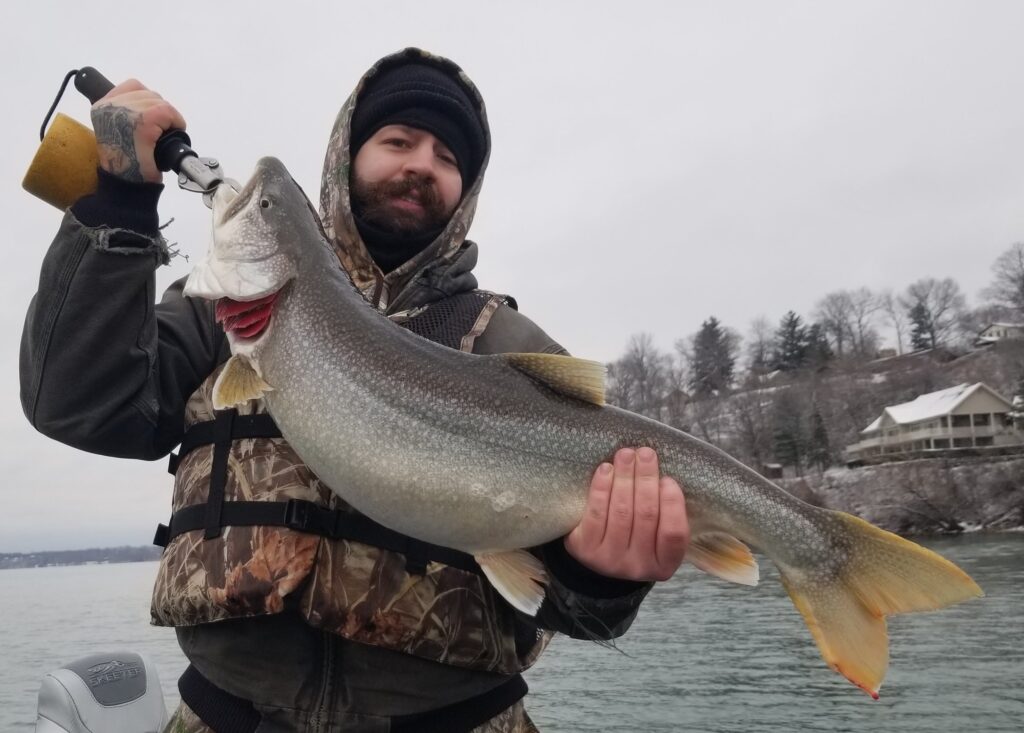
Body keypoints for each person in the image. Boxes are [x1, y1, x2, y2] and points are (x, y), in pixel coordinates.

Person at [20, 48, 689, 732]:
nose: (421, 164)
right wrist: (121, 202)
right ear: (346, 154)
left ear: (467, 190)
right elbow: (75, 403)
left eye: (447, 157)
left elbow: (581, 614)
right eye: (397, 140)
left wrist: (605, 580)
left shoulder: (514, 350)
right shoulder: (220, 314)